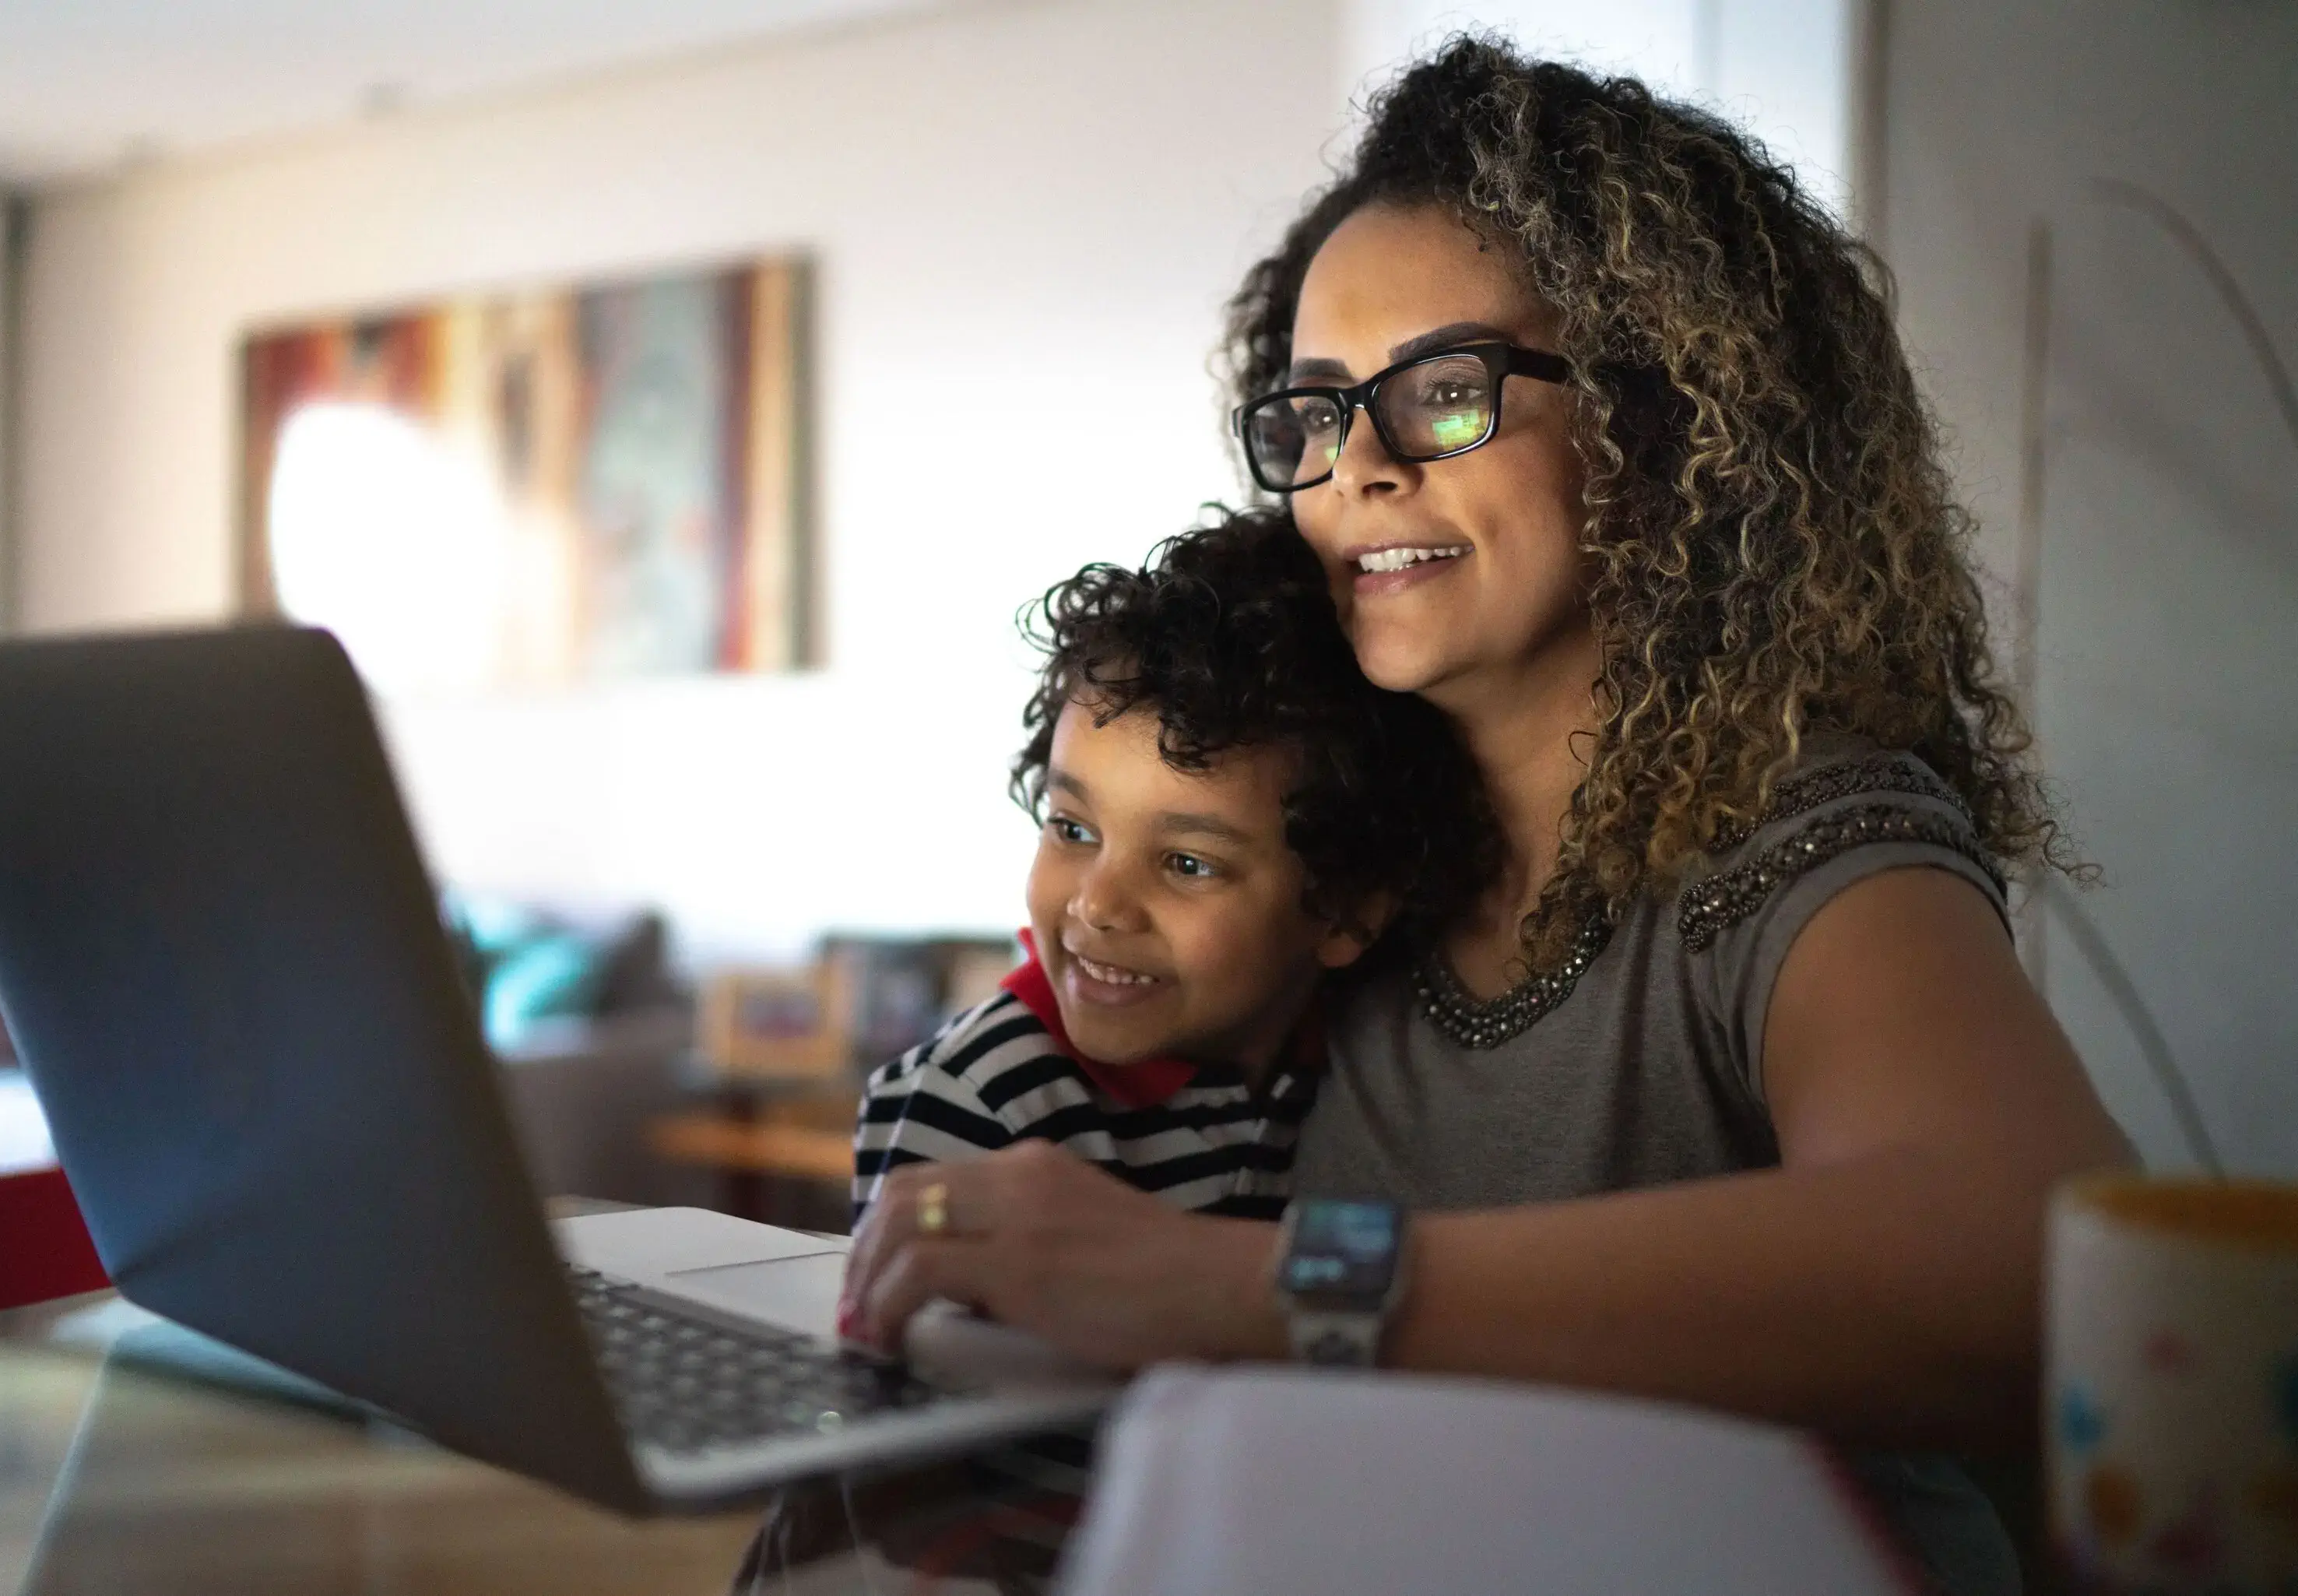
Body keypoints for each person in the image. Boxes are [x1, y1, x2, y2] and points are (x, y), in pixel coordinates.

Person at [842, 40, 2132, 1594]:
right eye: (1316, 412)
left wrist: (1263, 1286)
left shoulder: (1800, 834)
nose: (1358, 469)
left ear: (1662, 422)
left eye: (1447, 393)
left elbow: (2033, 1269)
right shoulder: (1338, 843)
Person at [848, 508, 1495, 1250]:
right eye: (1073, 829)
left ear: (1347, 913)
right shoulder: (979, 1100)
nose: (1098, 904)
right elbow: (920, 1347)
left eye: (1187, 864)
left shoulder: (1370, 1060)